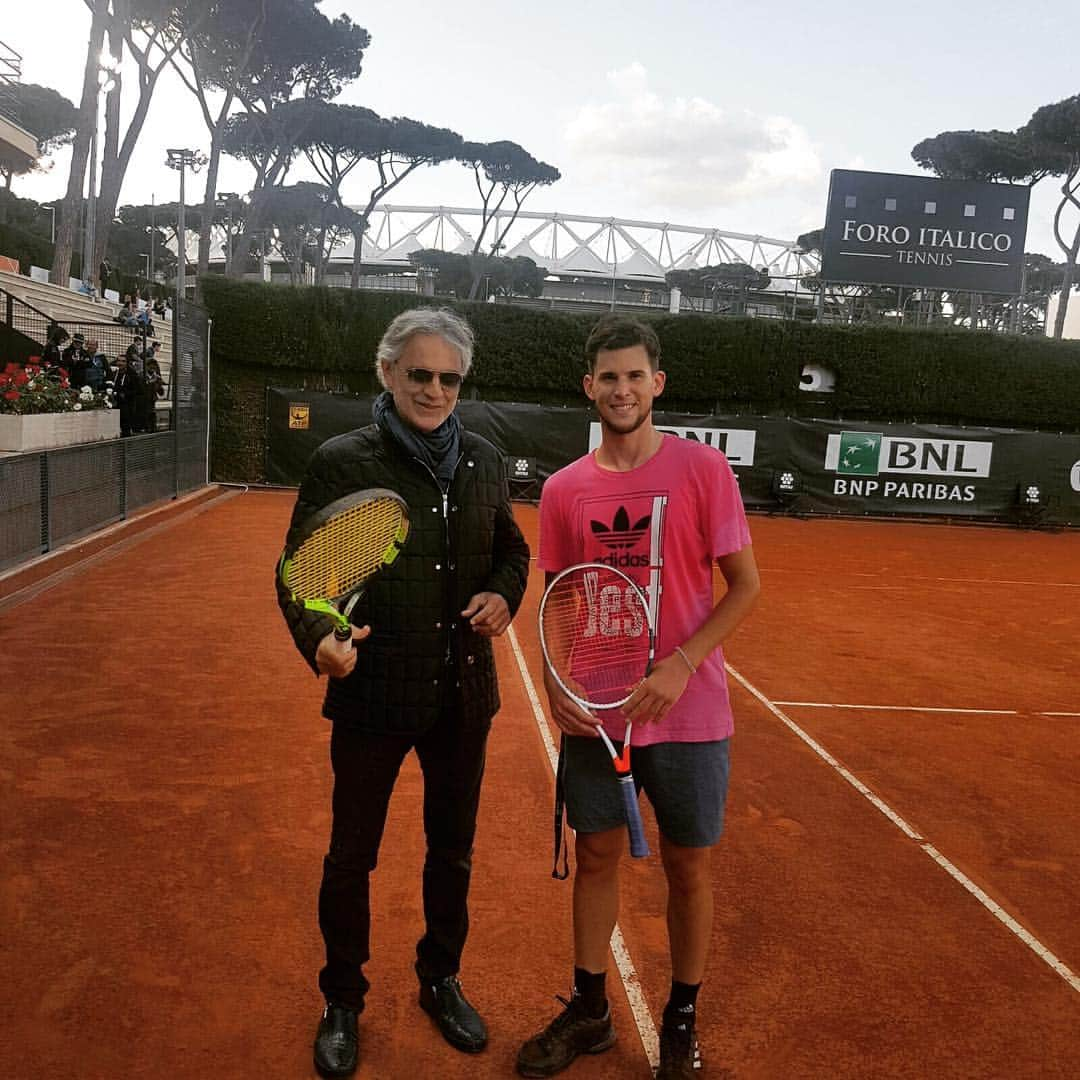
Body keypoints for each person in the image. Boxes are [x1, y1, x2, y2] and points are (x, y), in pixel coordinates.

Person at [276, 308, 530, 1079]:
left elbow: (511, 548)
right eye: (419, 374)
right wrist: (318, 636)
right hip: (373, 695)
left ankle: (439, 979)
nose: (434, 389)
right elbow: (301, 576)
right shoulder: (341, 461)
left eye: (449, 378)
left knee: (452, 853)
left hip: (462, 696)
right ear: (387, 373)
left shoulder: (484, 457)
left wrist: (502, 595)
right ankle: (342, 1000)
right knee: (351, 858)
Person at [517, 315, 760, 1080]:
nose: (621, 390)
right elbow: (557, 596)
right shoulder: (563, 490)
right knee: (595, 856)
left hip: (689, 714)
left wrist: (682, 664)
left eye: (634, 376)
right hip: (598, 709)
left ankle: (679, 1020)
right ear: (588, 387)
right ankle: (590, 1011)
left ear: (657, 382)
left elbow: (744, 587)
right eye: (606, 378)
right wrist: (560, 685)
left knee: (689, 869)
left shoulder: (703, 471)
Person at [112, 349, 143, 437]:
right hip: (115, 405)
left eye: (123, 361)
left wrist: (125, 394)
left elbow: (139, 390)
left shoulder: (132, 375)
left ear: (127, 363)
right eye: (118, 361)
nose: (120, 363)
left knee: (125, 430)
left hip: (127, 407)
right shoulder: (114, 373)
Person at [141, 355, 164, 431]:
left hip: (152, 400)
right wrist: (152, 382)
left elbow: (161, 393)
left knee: (152, 415)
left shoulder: (157, 377)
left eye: (154, 366)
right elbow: (141, 388)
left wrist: (159, 385)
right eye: (150, 366)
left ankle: (152, 430)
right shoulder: (142, 375)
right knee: (145, 415)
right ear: (147, 366)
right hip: (142, 400)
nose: (152, 368)